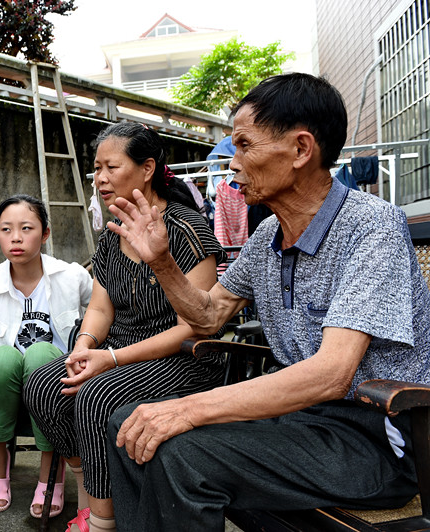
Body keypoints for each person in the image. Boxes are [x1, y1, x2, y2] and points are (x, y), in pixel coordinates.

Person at [106, 73, 430, 531]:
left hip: (376, 440)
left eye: (244, 145)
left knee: (181, 450)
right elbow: (209, 316)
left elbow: (333, 373)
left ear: (300, 150)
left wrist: (188, 408)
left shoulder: (372, 227)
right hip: (300, 421)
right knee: (130, 424)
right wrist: (161, 261)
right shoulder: (266, 237)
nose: (232, 162)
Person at [23, 122, 227, 532]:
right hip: (115, 349)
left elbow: (197, 326)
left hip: (182, 356)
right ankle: (93, 490)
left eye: (111, 167)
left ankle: (102, 521)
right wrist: (84, 346)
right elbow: (100, 307)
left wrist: (111, 359)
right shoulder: (111, 233)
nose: (100, 179)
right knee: (43, 386)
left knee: (96, 395)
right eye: (96, 169)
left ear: (147, 168)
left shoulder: (188, 231)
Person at [0, 194, 92, 517]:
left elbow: (99, 311)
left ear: (45, 233)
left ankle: (51, 466)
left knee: (39, 354)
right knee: (4, 357)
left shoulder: (73, 276)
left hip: (56, 381)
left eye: (26, 228)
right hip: (7, 382)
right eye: (6, 230)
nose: (16, 238)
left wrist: (86, 352)